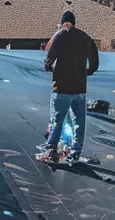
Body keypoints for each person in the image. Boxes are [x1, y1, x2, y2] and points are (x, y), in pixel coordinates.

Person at [38, 10, 98, 164]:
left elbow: (49, 59)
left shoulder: (61, 35)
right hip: (80, 89)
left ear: (64, 23)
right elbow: (94, 64)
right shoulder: (85, 38)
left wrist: (48, 67)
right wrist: (85, 72)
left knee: (57, 121)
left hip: (62, 88)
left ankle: (51, 151)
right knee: (79, 123)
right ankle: (74, 154)